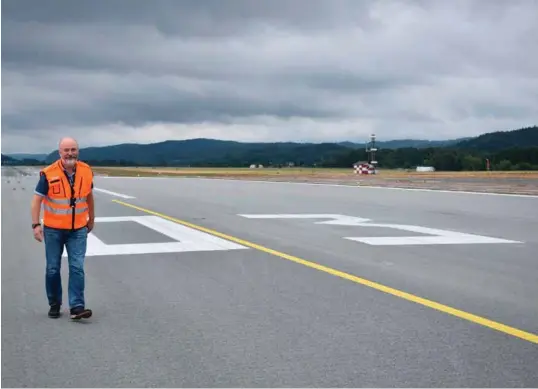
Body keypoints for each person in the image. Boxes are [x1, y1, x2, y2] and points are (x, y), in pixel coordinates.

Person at [30, 137, 95, 320]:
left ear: (78, 151)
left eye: (73, 149)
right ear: (60, 153)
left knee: (77, 267)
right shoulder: (48, 173)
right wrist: (36, 224)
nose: (70, 153)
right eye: (66, 150)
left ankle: (77, 306)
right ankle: (54, 304)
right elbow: (36, 200)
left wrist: (92, 219)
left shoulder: (86, 171)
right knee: (52, 269)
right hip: (53, 230)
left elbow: (89, 196)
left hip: (78, 230)